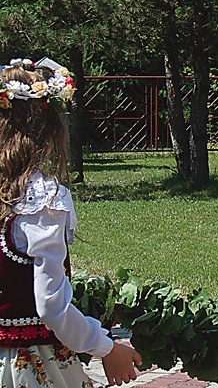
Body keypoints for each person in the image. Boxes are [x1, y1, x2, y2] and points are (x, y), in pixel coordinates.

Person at [0, 58, 142, 387]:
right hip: (30, 363)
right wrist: (105, 348)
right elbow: (51, 306)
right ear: (48, 134)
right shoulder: (42, 199)